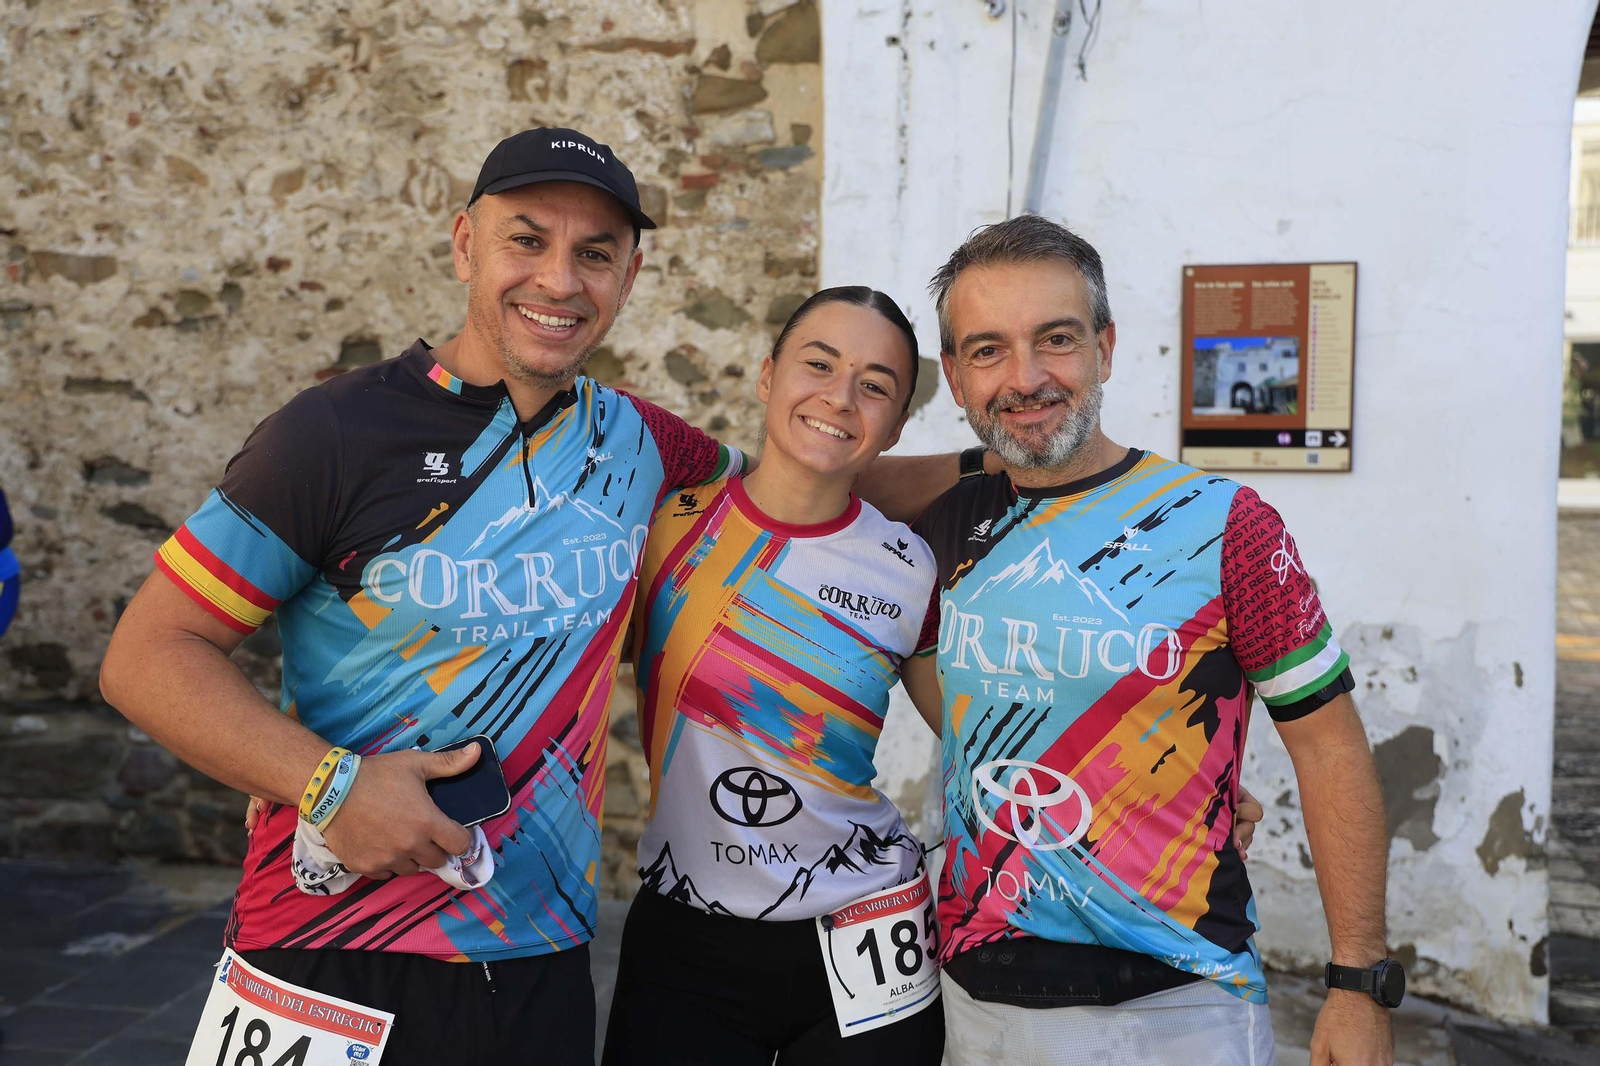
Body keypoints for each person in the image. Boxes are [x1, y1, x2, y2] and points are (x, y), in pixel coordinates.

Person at [98, 128, 967, 1065]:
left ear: (627, 280)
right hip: (329, 949)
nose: (559, 280)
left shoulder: (639, 441)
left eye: (594, 254)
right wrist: (328, 782)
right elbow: (147, 656)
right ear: (466, 242)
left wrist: (998, 464)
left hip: (539, 958)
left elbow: (805, 478)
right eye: (527, 240)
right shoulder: (333, 433)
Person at [900, 216, 1396, 1066]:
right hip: (977, 997)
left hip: (1177, 1002)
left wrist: (1360, 985)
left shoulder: (1224, 526)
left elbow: (1331, 749)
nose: (1024, 378)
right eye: (987, 351)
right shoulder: (946, 529)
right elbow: (949, 681)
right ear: (951, 374)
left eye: (1054, 340)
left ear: (1105, 346)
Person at [601, 287, 946, 1065]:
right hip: (686, 934)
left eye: (876, 386)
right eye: (817, 364)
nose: (839, 396)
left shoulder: (910, 566)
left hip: (868, 931)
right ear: (767, 377)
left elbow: (975, 727)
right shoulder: (664, 529)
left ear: (893, 427)